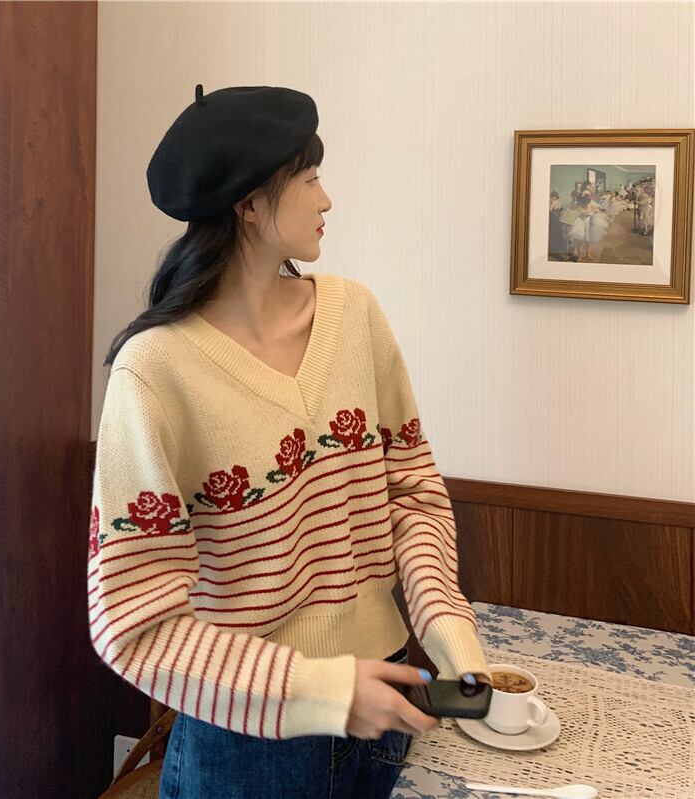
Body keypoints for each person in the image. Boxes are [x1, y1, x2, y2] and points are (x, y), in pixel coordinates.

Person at [89, 84, 492, 799]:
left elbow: (410, 494)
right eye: (309, 179)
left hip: (390, 700)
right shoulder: (154, 371)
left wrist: (450, 634)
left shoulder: (355, 316)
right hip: (245, 746)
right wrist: (319, 690)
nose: (326, 199)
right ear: (250, 205)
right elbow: (131, 621)